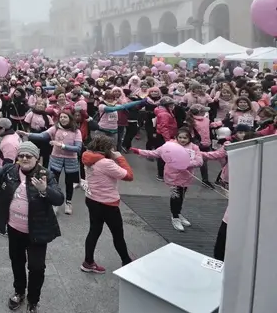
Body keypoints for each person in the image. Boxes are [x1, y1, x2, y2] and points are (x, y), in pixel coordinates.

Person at [0, 141, 63, 313]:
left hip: (37, 232)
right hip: (14, 229)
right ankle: (19, 291)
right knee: (17, 261)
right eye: (22, 155)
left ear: (37, 158)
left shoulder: (45, 174)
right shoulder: (10, 170)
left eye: (29, 156)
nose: (24, 158)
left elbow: (59, 198)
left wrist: (45, 190)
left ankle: (33, 302)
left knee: (36, 268)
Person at [130, 127, 227, 231]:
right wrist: (139, 151)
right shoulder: (169, 146)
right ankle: (175, 217)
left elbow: (199, 161)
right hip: (173, 177)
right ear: (176, 137)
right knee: (175, 197)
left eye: (185, 138)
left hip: (186, 177)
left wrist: (185, 164)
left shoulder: (194, 147)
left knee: (181, 196)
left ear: (190, 138)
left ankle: (178, 213)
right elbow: (155, 153)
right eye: (180, 137)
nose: (182, 140)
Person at [80, 134, 134, 273]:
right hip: (107, 203)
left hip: (92, 199)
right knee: (117, 234)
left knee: (94, 230)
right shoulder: (105, 163)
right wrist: (119, 157)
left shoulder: (88, 157)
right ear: (108, 149)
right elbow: (129, 176)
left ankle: (88, 262)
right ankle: (126, 261)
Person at [19, 111, 83, 215]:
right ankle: (55, 203)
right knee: (54, 181)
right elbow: (42, 136)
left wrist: (62, 146)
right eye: (61, 117)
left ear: (70, 119)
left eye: (65, 117)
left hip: (71, 160)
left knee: (69, 182)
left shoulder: (76, 131)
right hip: (56, 158)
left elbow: (78, 148)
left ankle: (68, 202)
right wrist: (28, 134)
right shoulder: (55, 128)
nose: (62, 119)